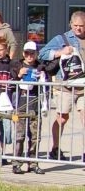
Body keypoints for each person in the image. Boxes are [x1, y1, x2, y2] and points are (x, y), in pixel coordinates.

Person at [40, 11, 85, 160]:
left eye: (82, 26)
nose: (78, 29)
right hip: (65, 85)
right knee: (62, 117)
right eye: (76, 26)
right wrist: (60, 52)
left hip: (83, 86)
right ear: (70, 24)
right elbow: (42, 53)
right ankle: (55, 148)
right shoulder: (62, 38)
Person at [11, 41, 54, 174]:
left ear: (36, 54)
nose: (29, 56)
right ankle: (16, 163)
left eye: (32, 53)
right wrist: (19, 75)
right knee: (20, 136)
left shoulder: (41, 67)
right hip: (20, 105)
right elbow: (10, 84)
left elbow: (46, 84)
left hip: (35, 105)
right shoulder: (16, 65)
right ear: (23, 53)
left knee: (35, 136)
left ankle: (33, 163)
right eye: (27, 53)